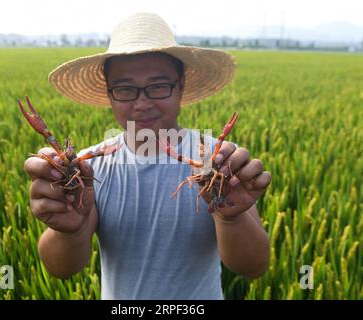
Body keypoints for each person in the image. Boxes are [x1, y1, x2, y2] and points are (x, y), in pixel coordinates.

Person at [24, 12, 272, 300]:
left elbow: (254, 266)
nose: (143, 103)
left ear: (181, 86)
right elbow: (61, 269)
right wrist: (69, 231)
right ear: (109, 94)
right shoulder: (87, 168)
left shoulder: (217, 160)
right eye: (126, 89)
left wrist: (231, 219)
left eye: (158, 86)